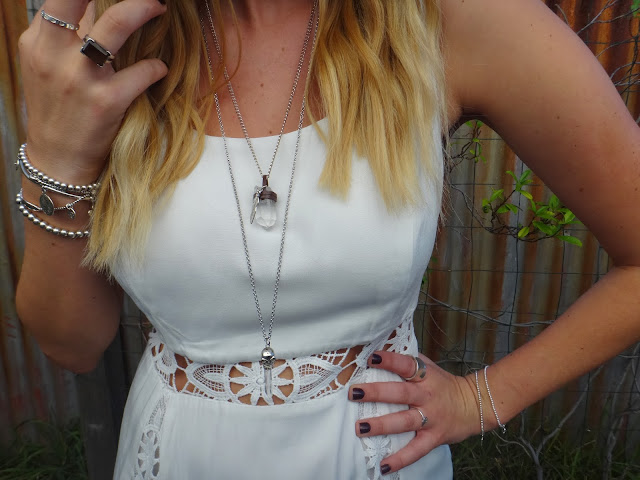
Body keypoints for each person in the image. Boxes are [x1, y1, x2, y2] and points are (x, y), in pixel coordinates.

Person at [15, 0, 640, 478]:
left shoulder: (451, 20)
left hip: (376, 459)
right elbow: (72, 344)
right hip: (173, 457)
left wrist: (483, 400)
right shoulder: (111, 39)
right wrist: (56, 155)